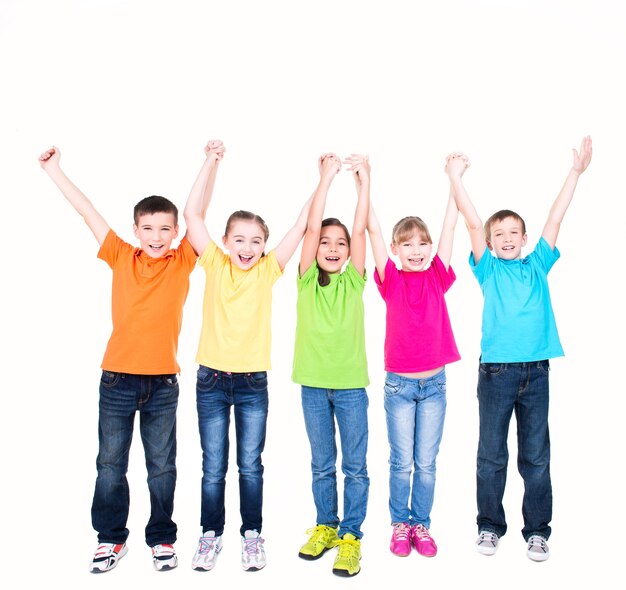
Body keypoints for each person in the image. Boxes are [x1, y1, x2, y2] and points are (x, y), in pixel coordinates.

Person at [38, 144, 204, 573]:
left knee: (161, 466)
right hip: (116, 380)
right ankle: (111, 539)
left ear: (174, 232)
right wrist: (54, 170)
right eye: (148, 228)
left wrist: (212, 162)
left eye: (164, 229)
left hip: (163, 383)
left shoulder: (182, 260)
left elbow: (198, 212)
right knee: (110, 464)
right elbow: (87, 210)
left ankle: (162, 538)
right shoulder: (119, 254)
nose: (155, 236)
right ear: (135, 229)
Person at [446, 136, 593, 562]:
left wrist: (575, 173)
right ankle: (489, 526)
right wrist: (456, 179)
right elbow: (473, 224)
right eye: (499, 234)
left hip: (536, 373)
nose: (507, 238)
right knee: (491, 454)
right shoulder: (487, 268)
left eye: (514, 232)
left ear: (525, 238)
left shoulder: (537, 265)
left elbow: (555, 217)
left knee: (536, 456)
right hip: (496, 374)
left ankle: (537, 531)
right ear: (490, 243)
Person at [183, 140, 313, 573]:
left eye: (256, 241)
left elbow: (300, 229)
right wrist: (211, 162)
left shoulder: (267, 271)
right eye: (239, 239)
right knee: (213, 466)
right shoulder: (216, 264)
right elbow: (192, 216)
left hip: (253, 382)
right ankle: (209, 535)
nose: (247, 246)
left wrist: (324, 179)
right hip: (212, 381)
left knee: (250, 465)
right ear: (225, 241)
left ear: (263, 246)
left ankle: (252, 535)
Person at [366, 155, 464, 559]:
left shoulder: (438, 275)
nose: (418, 250)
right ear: (395, 249)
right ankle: (399, 524)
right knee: (401, 461)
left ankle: (421, 524)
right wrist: (364, 181)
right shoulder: (390, 279)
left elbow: (451, 226)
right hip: (400, 386)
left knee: (426, 462)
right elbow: (371, 227)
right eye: (408, 245)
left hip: (436, 384)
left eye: (422, 244)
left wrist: (453, 179)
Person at [293, 153, 370, 577]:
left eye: (340, 243)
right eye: (327, 241)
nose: (335, 247)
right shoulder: (305, 280)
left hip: (351, 388)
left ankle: (351, 536)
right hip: (312, 387)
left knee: (354, 465)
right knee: (322, 463)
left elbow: (359, 229)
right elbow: (310, 225)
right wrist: (324, 178)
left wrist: (363, 180)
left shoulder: (355, 279)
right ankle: (326, 526)